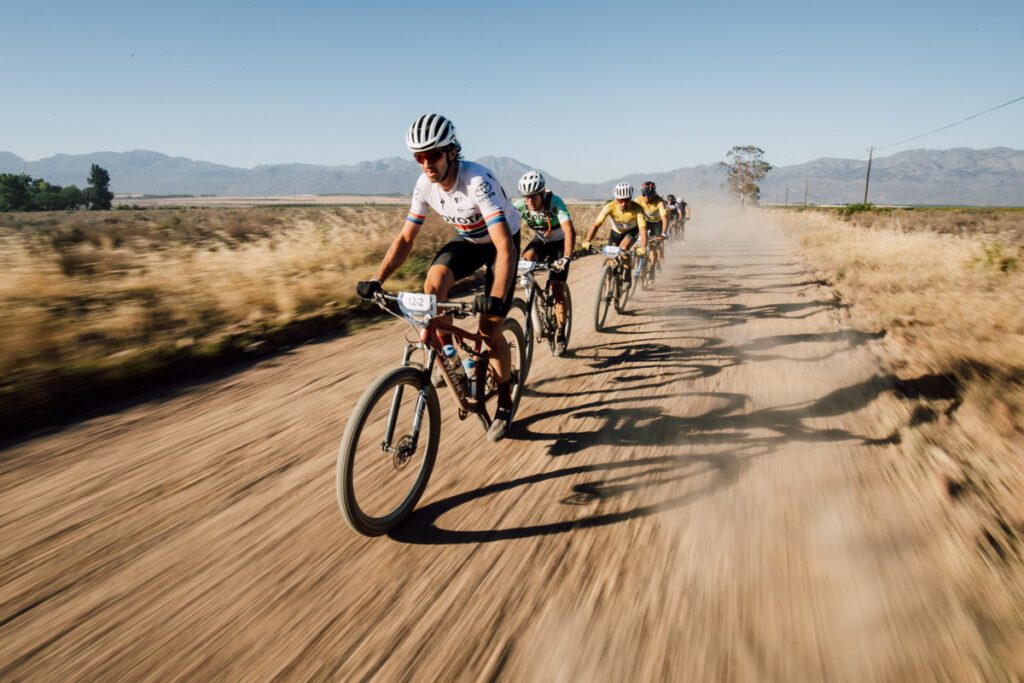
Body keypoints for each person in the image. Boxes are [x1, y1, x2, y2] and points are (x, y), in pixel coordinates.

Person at [355, 114, 521, 442]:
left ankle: (504, 401)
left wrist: (495, 299)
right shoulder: (424, 185)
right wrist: (377, 279)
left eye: (433, 155)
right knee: (432, 285)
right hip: (469, 240)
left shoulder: (477, 181)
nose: (426, 164)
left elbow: (504, 247)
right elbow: (406, 239)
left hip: (501, 243)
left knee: (490, 330)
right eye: (419, 157)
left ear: (452, 152)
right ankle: (452, 360)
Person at [512, 170, 575, 352]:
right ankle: (535, 295)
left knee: (557, 288)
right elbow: (504, 227)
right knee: (525, 262)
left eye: (533, 196)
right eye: (526, 197)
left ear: (542, 193)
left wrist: (566, 258)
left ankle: (561, 333)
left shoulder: (555, 203)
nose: (529, 201)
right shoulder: (520, 206)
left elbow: (569, 231)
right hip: (540, 241)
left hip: (559, 244)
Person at [581, 182, 648, 284]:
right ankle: (611, 280)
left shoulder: (638, 209)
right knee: (610, 256)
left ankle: (627, 274)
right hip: (616, 232)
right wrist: (587, 241)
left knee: (624, 248)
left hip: (631, 231)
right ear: (616, 198)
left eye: (626, 200)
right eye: (620, 200)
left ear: (631, 198)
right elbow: (596, 225)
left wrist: (643, 247)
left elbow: (643, 230)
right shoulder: (610, 206)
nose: (623, 204)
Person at [634, 181, 667, 272]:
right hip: (645, 222)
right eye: (644, 195)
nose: (647, 198)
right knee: (637, 242)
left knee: (653, 248)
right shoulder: (638, 199)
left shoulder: (659, 201)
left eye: (650, 195)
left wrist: (663, 233)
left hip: (657, 224)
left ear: (654, 193)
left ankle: (652, 267)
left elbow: (664, 218)